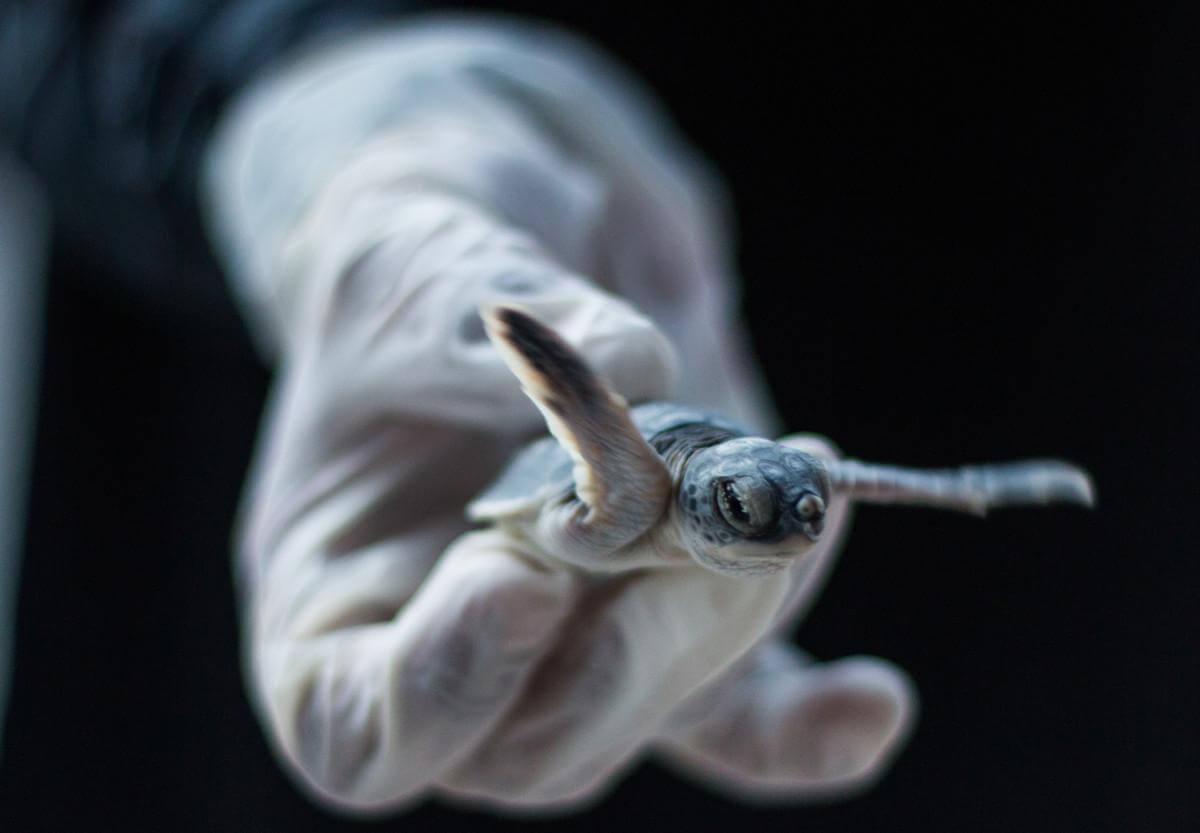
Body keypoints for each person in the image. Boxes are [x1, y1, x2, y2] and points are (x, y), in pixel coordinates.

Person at [0, 3, 914, 814]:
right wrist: (316, 99)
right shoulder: (635, 486)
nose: (777, 530)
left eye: (791, 515)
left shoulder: (773, 492)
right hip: (260, 418)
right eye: (759, 512)